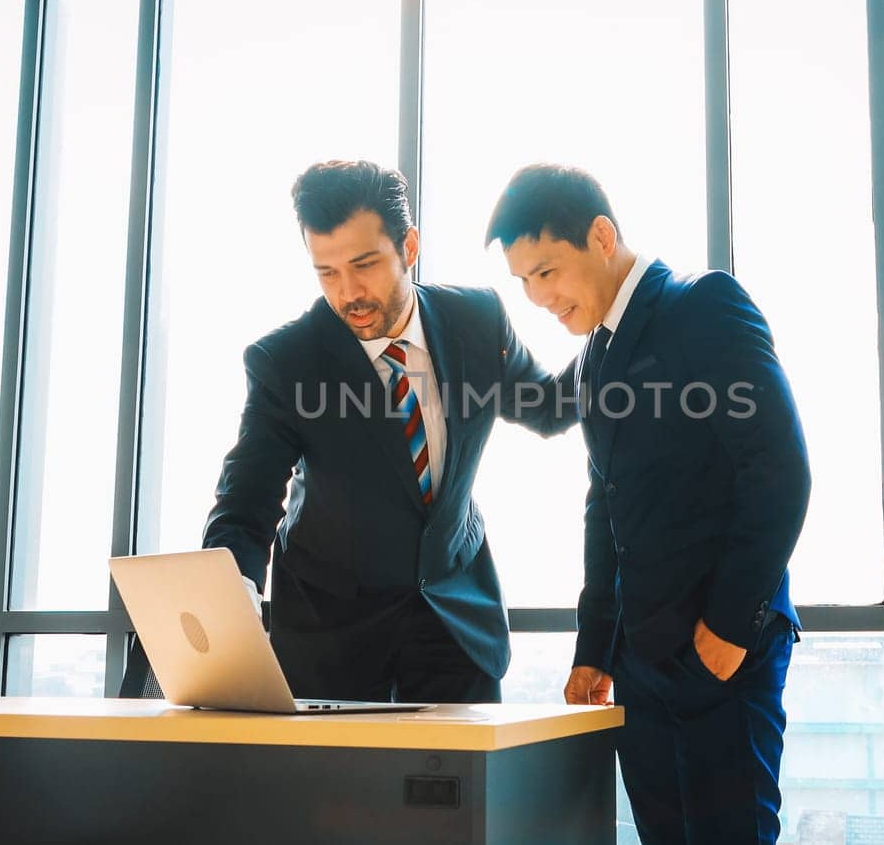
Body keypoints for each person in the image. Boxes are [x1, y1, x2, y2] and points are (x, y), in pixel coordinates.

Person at [486, 163, 811, 843]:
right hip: (642, 664)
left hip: (722, 654)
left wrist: (729, 626)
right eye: (523, 282)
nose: (538, 297)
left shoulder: (704, 304)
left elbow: (779, 470)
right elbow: (607, 503)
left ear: (601, 236)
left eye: (547, 272)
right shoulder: (596, 354)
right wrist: (596, 648)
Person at [202, 159, 574, 703]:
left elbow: (550, 407)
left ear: (410, 247)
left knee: (469, 788)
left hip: (457, 630)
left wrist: (620, 330)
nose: (348, 292)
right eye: (326, 272)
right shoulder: (287, 361)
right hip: (333, 644)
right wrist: (228, 608)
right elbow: (246, 503)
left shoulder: (477, 321)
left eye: (364, 263)